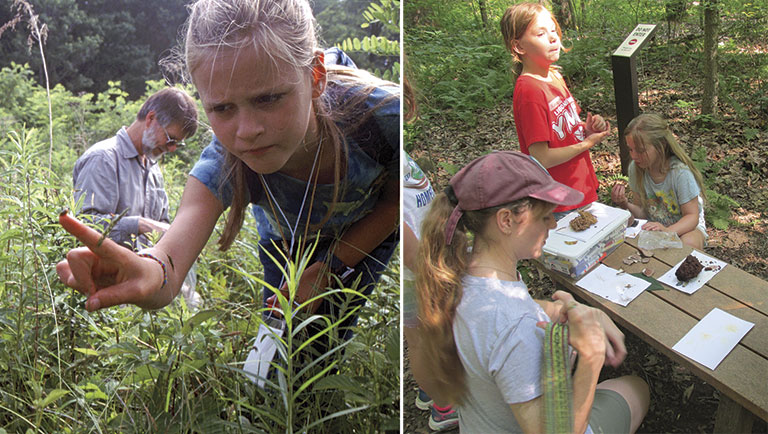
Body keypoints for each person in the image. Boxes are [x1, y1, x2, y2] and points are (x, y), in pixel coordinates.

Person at [56, 0, 399, 346]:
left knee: (337, 327)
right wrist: (148, 272)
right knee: (288, 353)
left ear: (315, 78)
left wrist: (327, 270)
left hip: (368, 227)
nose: (246, 131)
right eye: (222, 108)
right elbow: (168, 264)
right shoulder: (224, 161)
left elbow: (399, 202)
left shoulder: (384, 118)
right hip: (286, 243)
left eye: (268, 99)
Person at [415, 151, 650, 433]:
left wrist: (551, 309)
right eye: (545, 216)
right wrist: (591, 356)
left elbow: (500, 314)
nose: (553, 224)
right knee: (637, 389)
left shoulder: (456, 272)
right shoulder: (515, 328)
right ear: (506, 220)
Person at [72, 87, 201, 308]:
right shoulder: (103, 158)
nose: (171, 149)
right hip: (109, 292)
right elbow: (83, 226)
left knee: (194, 303)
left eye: (177, 144)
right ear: (151, 118)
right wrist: (140, 224)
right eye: (170, 139)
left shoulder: (153, 169)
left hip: (145, 288)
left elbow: (164, 226)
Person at [502, 3, 611, 220]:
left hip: (582, 187)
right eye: (541, 33)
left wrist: (586, 129)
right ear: (518, 46)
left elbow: (566, 131)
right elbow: (541, 157)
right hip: (559, 202)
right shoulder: (529, 91)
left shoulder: (554, 76)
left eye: (553, 30)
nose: (553, 38)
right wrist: (587, 144)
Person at [402, 150, 458, 431]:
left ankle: (430, 389)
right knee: (423, 342)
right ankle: (443, 405)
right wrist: (430, 272)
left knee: (429, 339)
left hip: (426, 260)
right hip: (416, 273)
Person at [611, 113, 707, 249]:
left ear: (660, 145)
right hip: (655, 227)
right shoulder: (636, 169)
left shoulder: (680, 173)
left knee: (687, 244)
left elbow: (692, 217)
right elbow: (643, 213)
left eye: (640, 150)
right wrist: (624, 203)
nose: (634, 156)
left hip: (686, 228)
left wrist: (667, 232)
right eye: (631, 149)